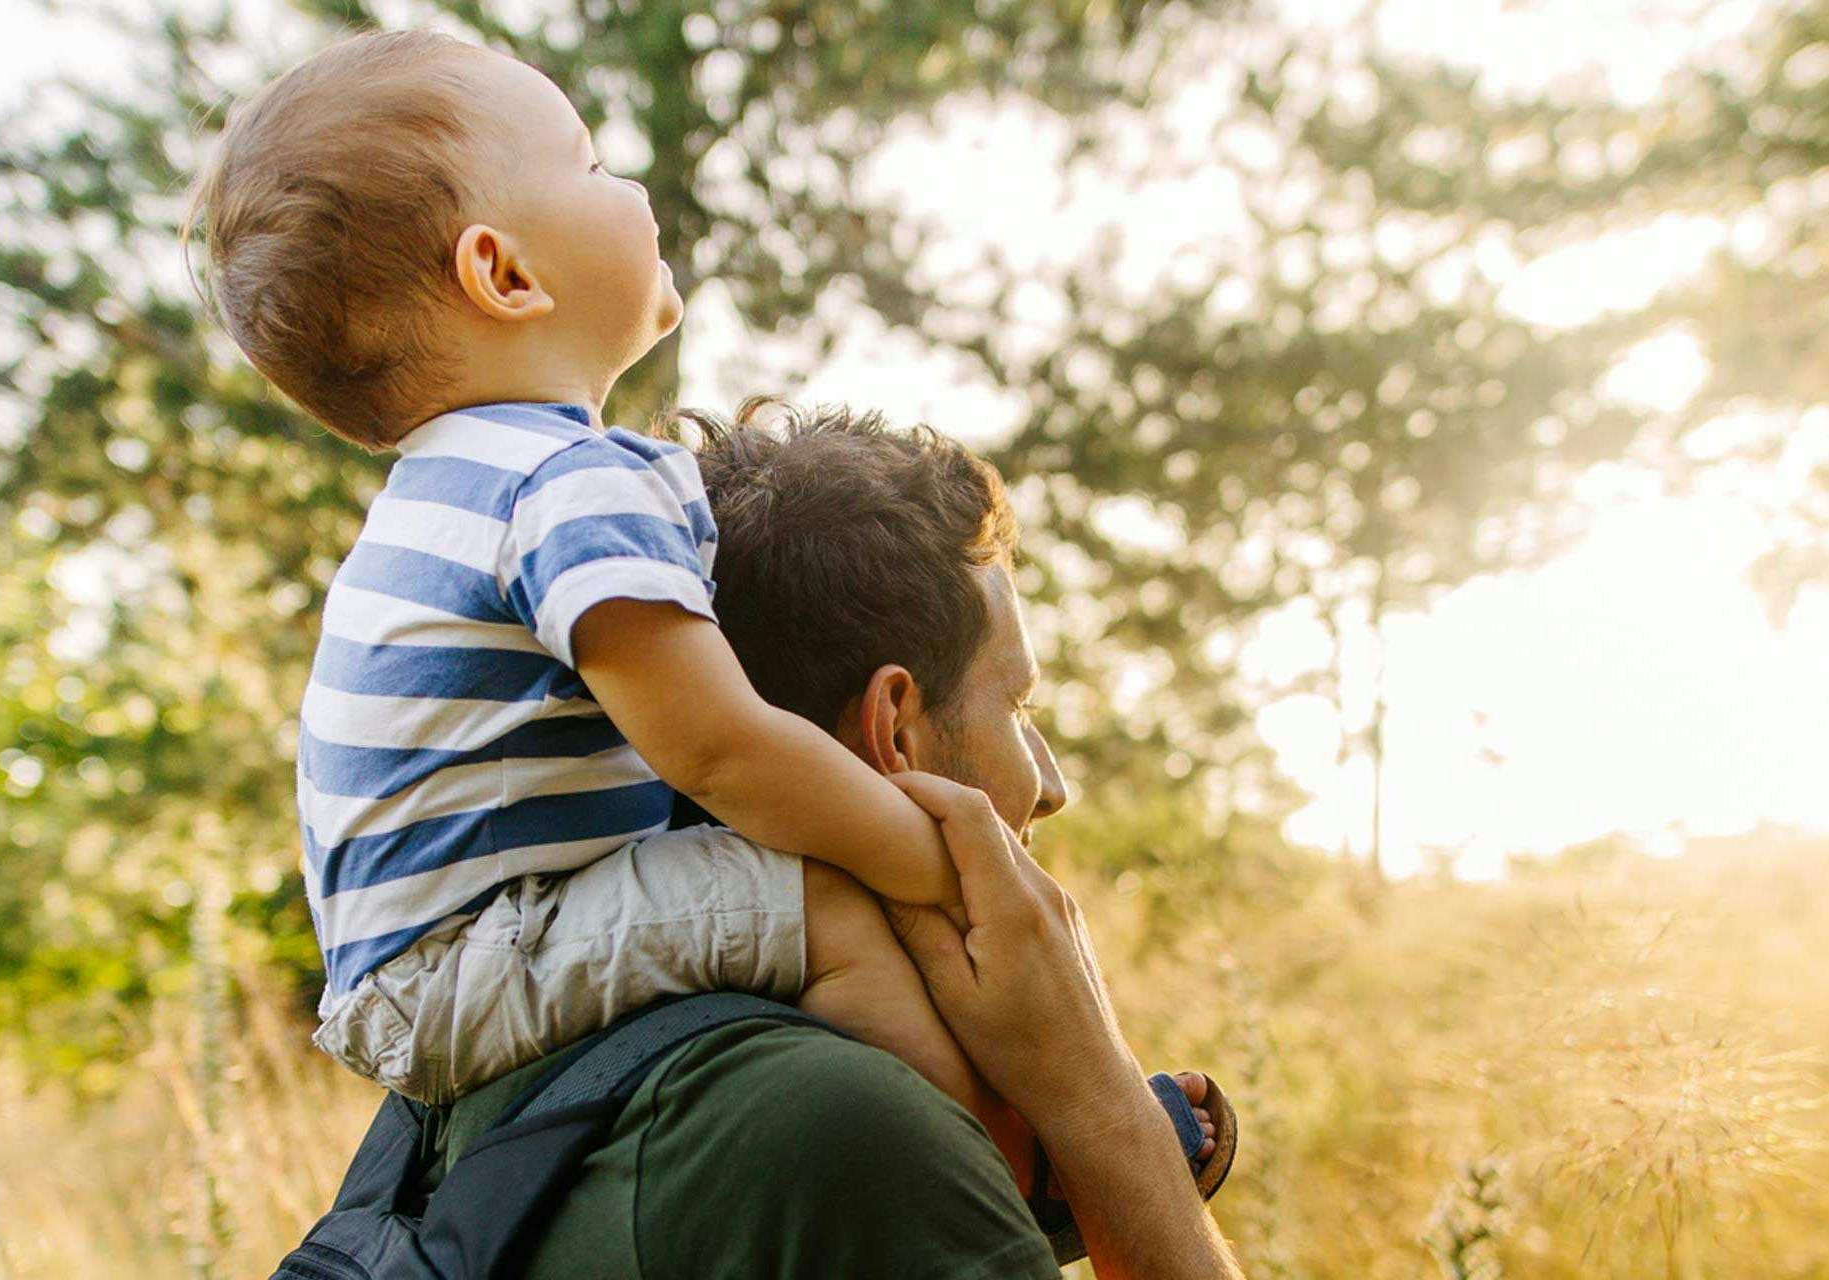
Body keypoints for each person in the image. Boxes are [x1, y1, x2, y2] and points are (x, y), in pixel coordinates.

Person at [181, 26, 1213, 1216]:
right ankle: (1001, 1171)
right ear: (503, 273)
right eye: (590, 164)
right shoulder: (563, 478)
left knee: (786, 879)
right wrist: (939, 861)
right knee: (826, 902)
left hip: (421, 965)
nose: (630, 187)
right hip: (466, 962)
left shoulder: (448, 487)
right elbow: (720, 750)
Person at [432, 402, 1247, 1279]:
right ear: (892, 732)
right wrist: (1101, 1101)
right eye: (1016, 707)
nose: (1051, 785)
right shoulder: (855, 1133)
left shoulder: (517, 1033)